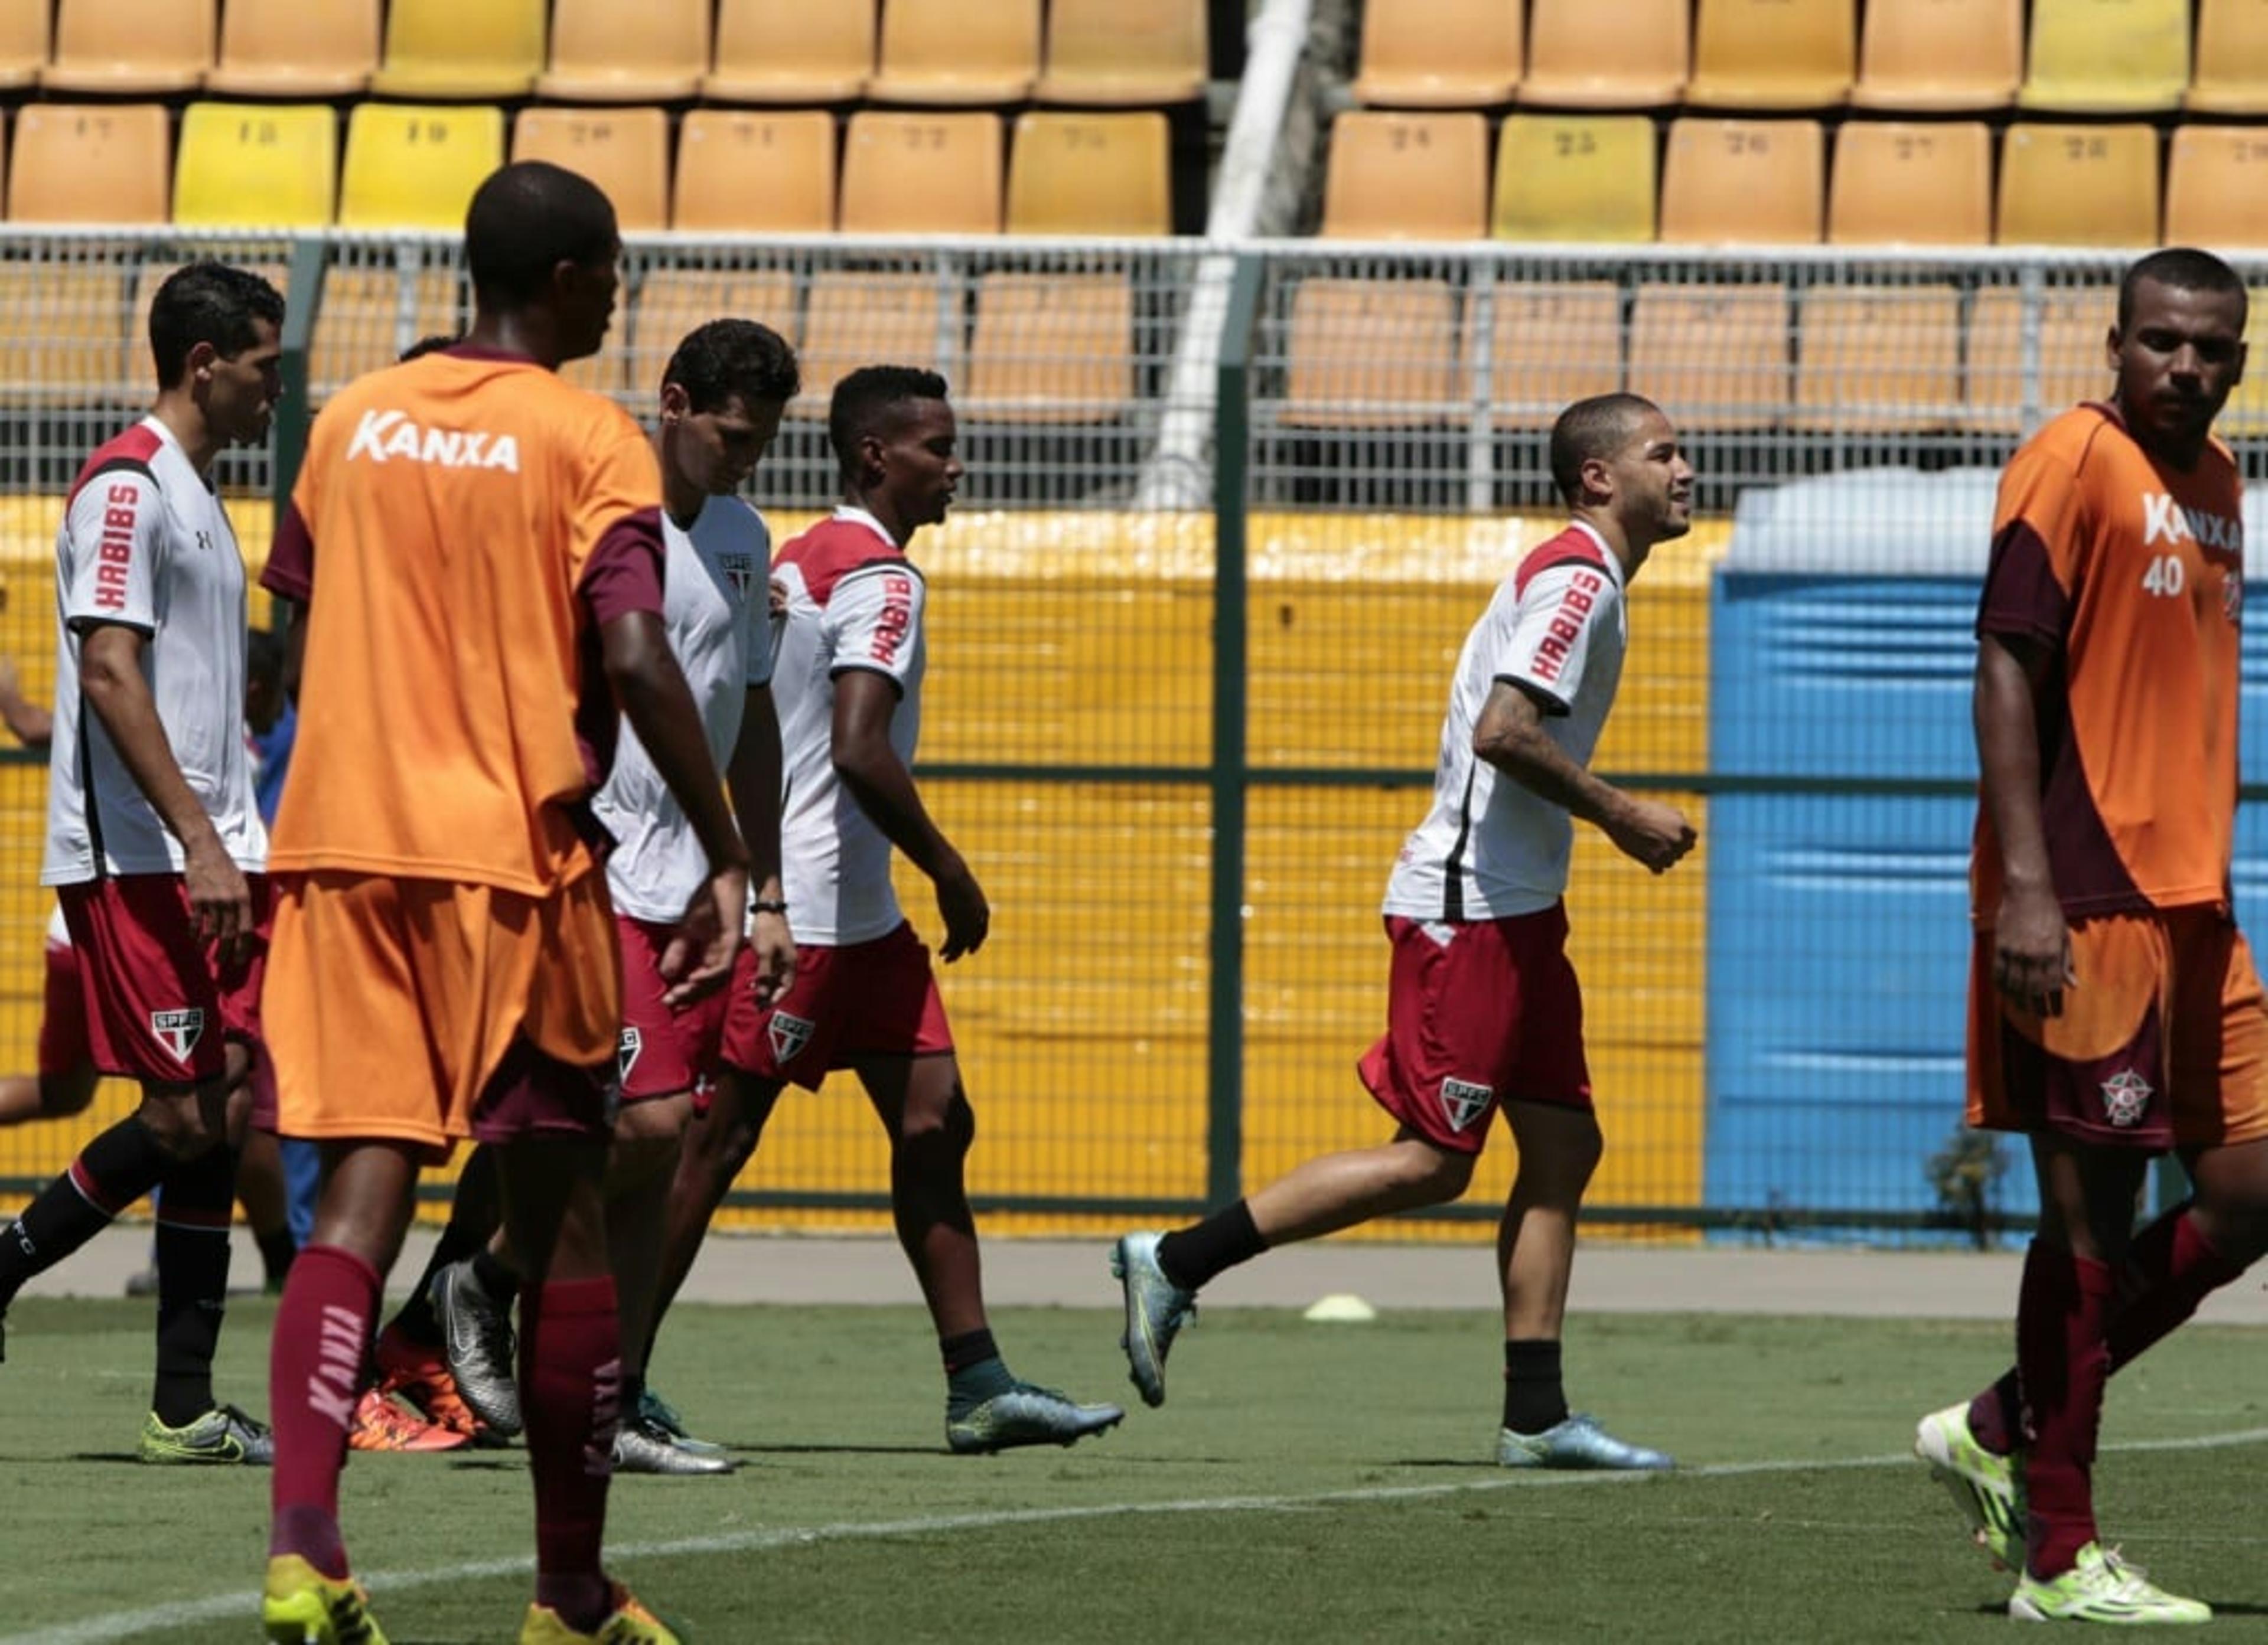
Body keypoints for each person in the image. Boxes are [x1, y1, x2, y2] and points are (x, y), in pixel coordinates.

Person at [258, 162, 744, 1645]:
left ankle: (306, 1550)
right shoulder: (585, 435)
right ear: (574, 277)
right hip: (513, 868)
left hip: (345, 856)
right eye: (610, 273)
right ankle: (569, 1593)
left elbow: (293, 642)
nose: (615, 292)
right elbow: (643, 653)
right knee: (569, 1214)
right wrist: (727, 852)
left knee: (359, 1198)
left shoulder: (347, 421)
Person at [1112, 393, 1696, 1471]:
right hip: (1468, 909)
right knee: (1433, 1161)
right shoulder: (1577, 578)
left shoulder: (1590, 578)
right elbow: (1505, 730)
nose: (1687, 469)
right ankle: (1176, 1257)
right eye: (1663, 453)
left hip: (1518, 911)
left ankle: (1536, 1415)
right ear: (1600, 479)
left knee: (1565, 1144)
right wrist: (1621, 814)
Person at [647, 365, 1124, 1457]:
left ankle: (980, 1382)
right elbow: (859, 746)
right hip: (812, 915)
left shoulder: (800, 553)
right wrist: (951, 868)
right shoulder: (883, 579)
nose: (956, 465)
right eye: (938, 447)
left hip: (860, 919)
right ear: (876, 456)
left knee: (935, 1121)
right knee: (714, 1143)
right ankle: (610, 1379)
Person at [1913, 247, 2268, 1626]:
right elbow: (2008, 660)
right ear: (2114, 342)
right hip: (2089, 893)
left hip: (2198, 902)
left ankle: (2004, 1418)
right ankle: (2057, 1554)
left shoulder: (2224, 484)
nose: (2187, 366)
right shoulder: (2070, 455)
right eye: (2163, 343)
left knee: (2248, 1191)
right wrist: (2028, 891)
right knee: (2093, 1215)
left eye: (2214, 349)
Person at [409, 318, 802, 1476]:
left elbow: (755, 717)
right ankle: (473, 1285)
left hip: (697, 893)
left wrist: (762, 882)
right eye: (732, 433)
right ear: (673, 403)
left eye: (765, 441)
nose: (746, 460)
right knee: (645, 1125)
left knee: (658, 1150)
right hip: (590, 866)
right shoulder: (592, 509)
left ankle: (605, 1406)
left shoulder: (742, 534)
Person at [0, 260, 284, 1467]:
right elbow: (109, 672)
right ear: (205, 363)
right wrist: (203, 839)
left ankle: (182, 1404)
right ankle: (6, 1263)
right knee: (181, 1117)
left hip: (208, 857)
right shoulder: (125, 491)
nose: (280, 389)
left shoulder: (201, 494)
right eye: (267, 368)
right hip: (145, 862)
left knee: (217, 1112)